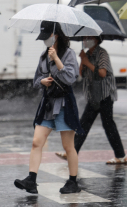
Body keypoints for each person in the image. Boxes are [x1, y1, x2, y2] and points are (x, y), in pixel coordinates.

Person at [14, 21, 83, 195]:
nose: (45, 41)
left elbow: (70, 78)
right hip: (47, 104)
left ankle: (73, 182)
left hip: (64, 104)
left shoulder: (68, 54)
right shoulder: (43, 56)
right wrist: (42, 82)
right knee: (36, 142)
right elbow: (36, 80)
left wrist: (57, 60)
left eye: (47, 37)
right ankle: (31, 179)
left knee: (68, 146)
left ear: (56, 35)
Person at [56, 36, 127, 164]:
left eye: (89, 38)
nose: (85, 40)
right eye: (85, 38)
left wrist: (86, 61)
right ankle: (72, 152)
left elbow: (102, 73)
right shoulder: (87, 53)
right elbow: (82, 74)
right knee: (84, 124)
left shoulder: (102, 53)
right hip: (93, 96)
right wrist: (82, 62)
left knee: (108, 125)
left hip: (104, 95)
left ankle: (121, 156)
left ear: (96, 39)